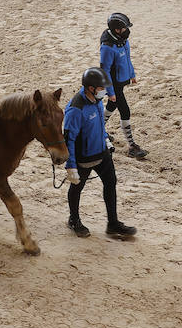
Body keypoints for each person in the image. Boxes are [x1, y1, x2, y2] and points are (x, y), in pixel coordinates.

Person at [62, 67, 137, 238]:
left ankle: (113, 223)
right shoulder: (75, 109)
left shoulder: (96, 101)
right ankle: (74, 220)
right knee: (76, 188)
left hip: (102, 153)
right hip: (84, 158)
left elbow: (100, 125)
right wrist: (71, 165)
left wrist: (106, 139)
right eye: (101, 88)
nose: (104, 92)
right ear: (91, 88)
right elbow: (69, 139)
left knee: (111, 183)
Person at [99, 12, 148, 160]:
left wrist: (132, 74)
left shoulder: (123, 41)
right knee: (125, 111)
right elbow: (105, 71)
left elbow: (127, 58)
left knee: (111, 107)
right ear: (116, 29)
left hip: (121, 81)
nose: (127, 31)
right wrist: (111, 92)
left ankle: (98, 130)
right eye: (124, 28)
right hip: (114, 84)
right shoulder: (107, 47)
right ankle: (132, 145)